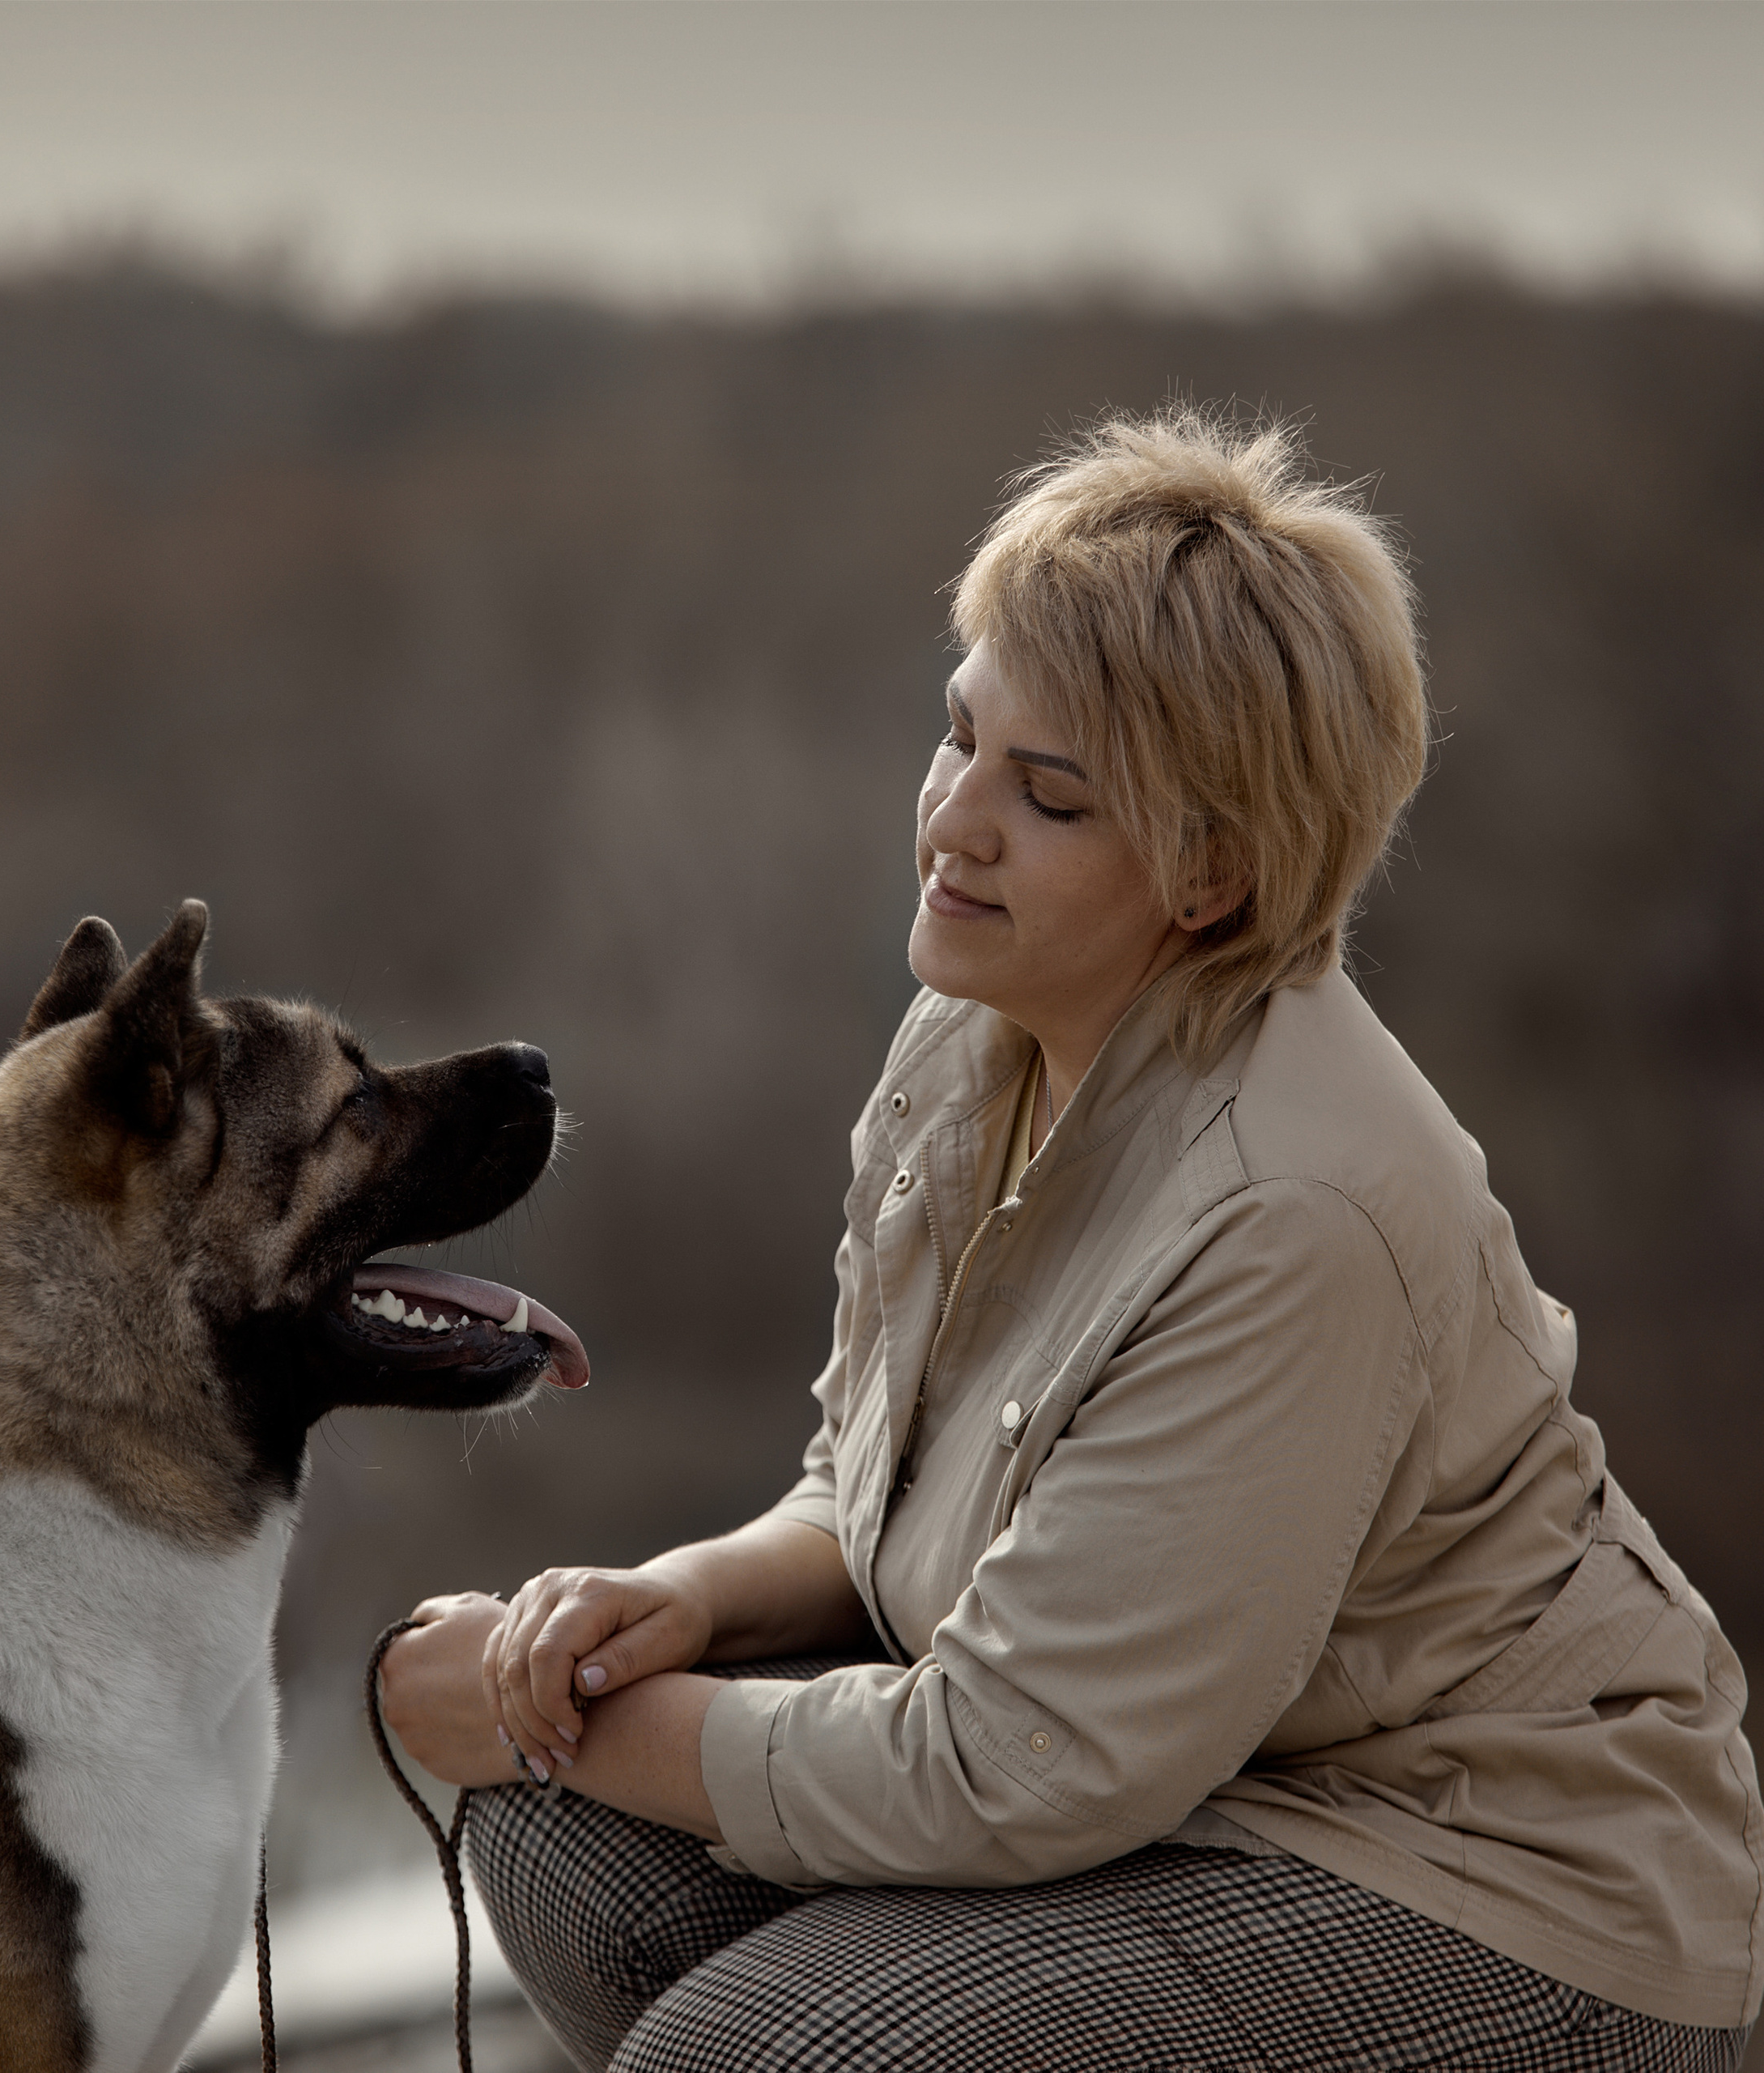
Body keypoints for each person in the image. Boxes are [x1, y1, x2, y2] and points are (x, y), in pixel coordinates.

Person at [381, 407, 1762, 2072]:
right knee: (565, 1851)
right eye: (956, 736)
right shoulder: (975, 1037)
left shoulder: (1291, 1210)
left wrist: (557, 1717)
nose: (955, 819)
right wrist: (672, 1601)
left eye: (1046, 797)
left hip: (1498, 1886)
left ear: (1211, 872)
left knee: (763, 2048)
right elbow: (878, 1477)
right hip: (1183, 1785)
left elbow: (1002, 1762)